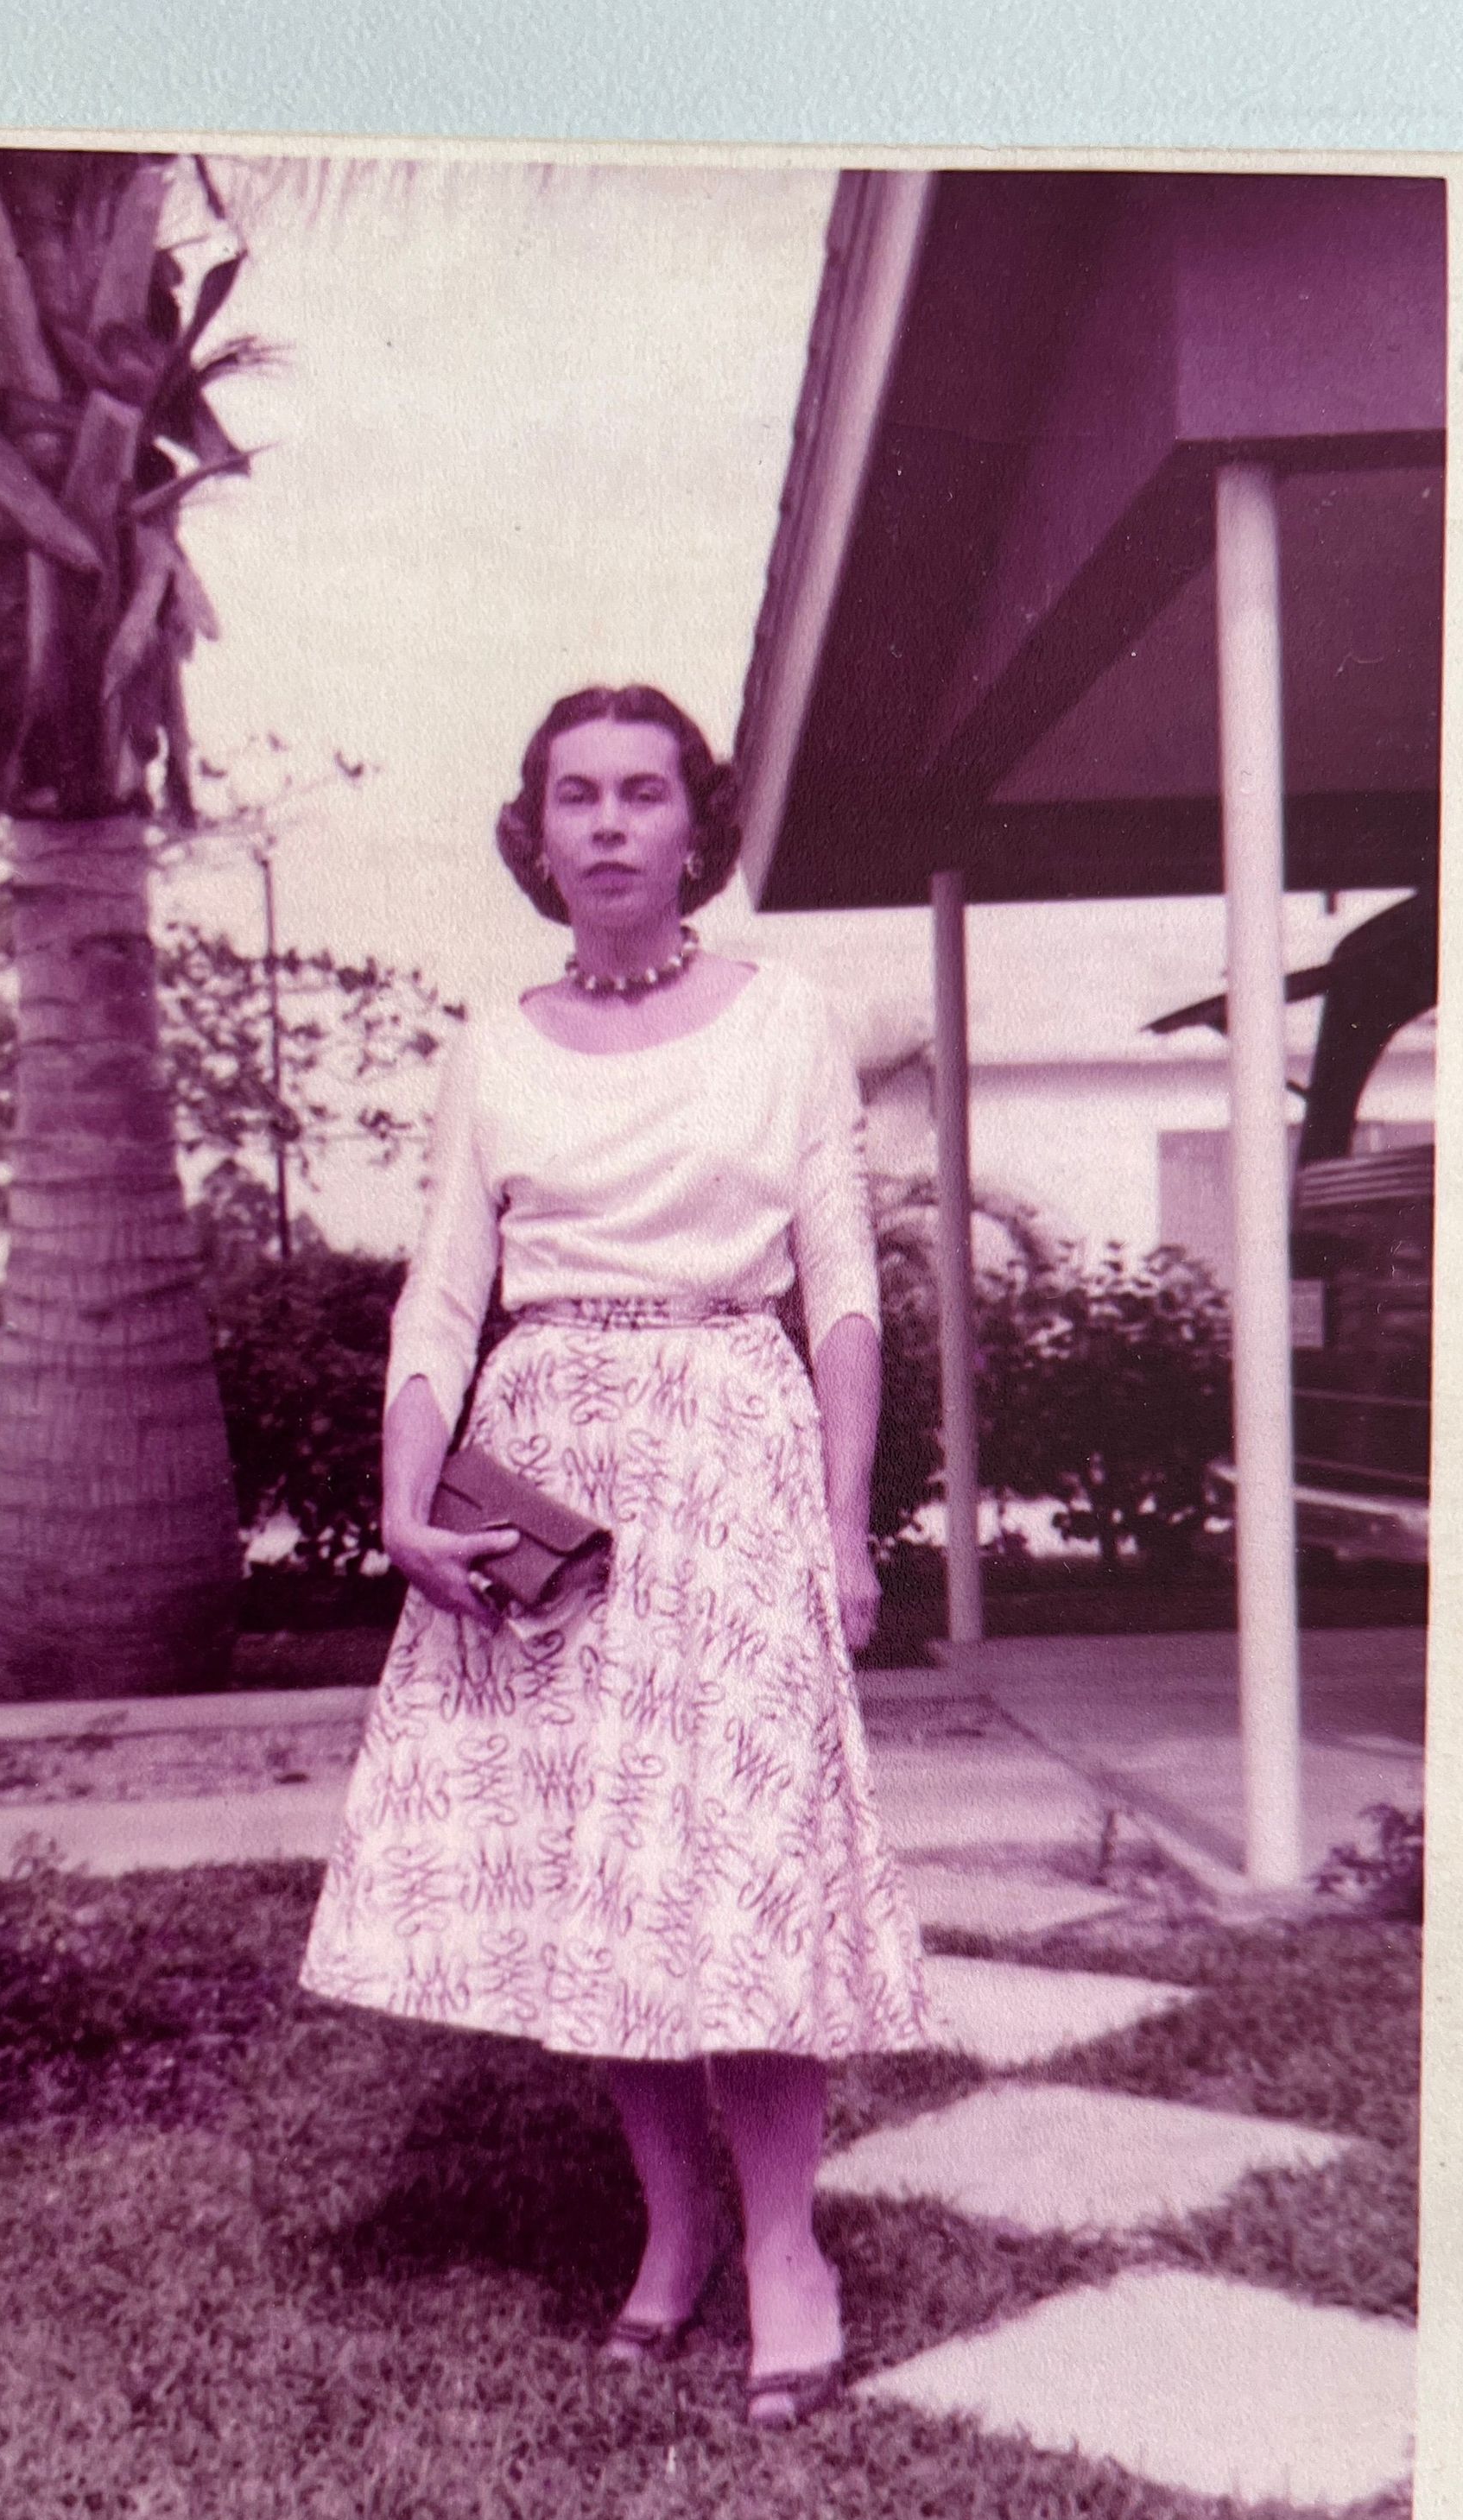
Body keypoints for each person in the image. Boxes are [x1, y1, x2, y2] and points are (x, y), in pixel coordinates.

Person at [299, 684, 930, 2428]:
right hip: (544, 1466)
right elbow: (443, 1291)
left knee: (738, 1867)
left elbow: (844, 1288)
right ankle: (674, 2230)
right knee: (608, 1874)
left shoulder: (786, 1020)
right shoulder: (492, 1047)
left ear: (694, 826)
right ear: (537, 834)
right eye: (573, 796)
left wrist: (845, 1522)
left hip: (731, 1448)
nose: (606, 825)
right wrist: (408, 1502)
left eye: (642, 793)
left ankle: (787, 2249)